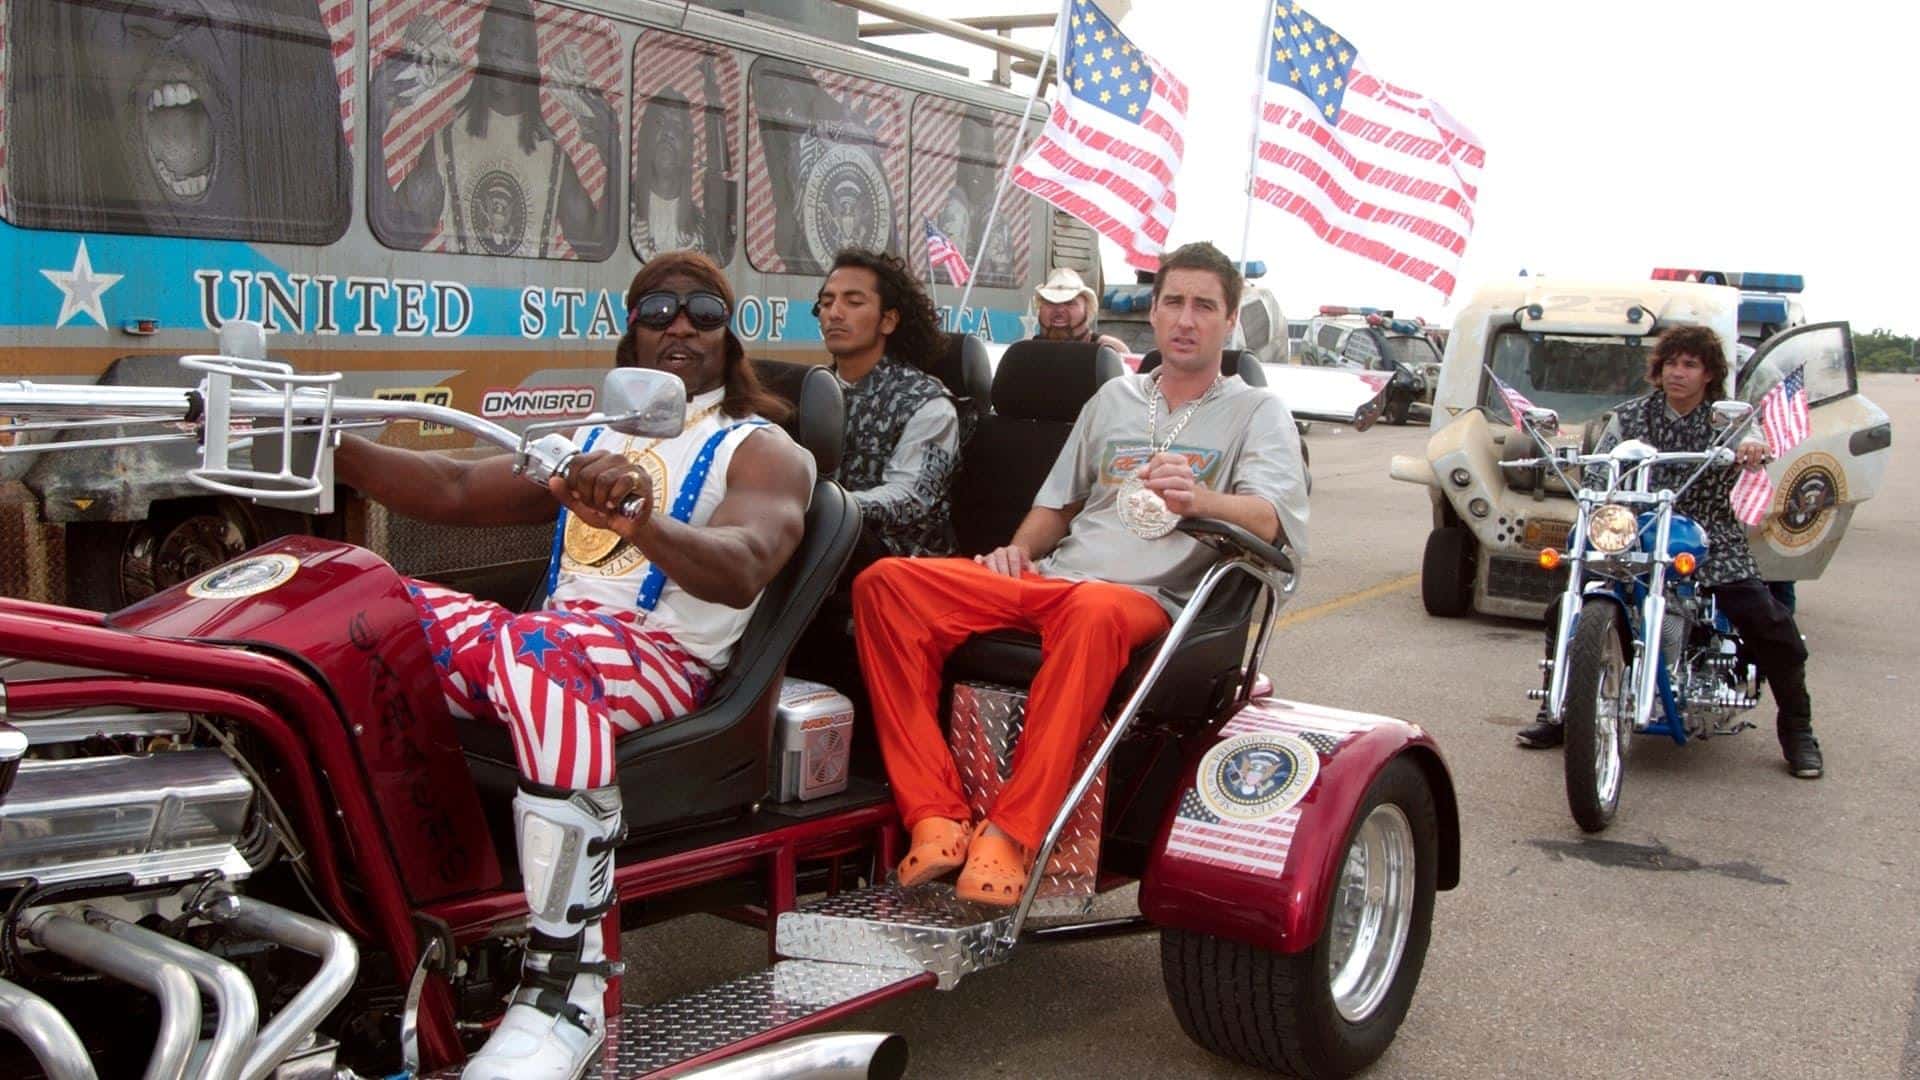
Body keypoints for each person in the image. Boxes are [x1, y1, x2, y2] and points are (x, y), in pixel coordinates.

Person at [335, 250, 814, 1079]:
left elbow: (742, 564)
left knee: (540, 654)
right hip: (552, 645)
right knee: (360, 603)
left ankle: (569, 984)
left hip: (664, 661)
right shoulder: (592, 439)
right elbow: (452, 489)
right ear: (632, 331)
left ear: (729, 335)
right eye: (657, 308)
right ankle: (366, 910)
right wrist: (327, 443)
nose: (680, 323)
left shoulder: (761, 449)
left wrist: (642, 521)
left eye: (704, 310)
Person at [853, 241, 1309, 905]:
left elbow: (1270, 519)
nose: (1186, 319)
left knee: (1093, 609)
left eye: (1205, 306)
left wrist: (1200, 500)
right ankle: (936, 816)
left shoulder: (1256, 410)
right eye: (1174, 302)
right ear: (1152, 313)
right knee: (886, 585)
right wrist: (1016, 552)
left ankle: (1012, 834)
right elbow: (1056, 505)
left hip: (1143, 598)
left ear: (1231, 320)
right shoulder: (1113, 398)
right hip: (1055, 579)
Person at [1514, 325, 1823, 779]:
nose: (1678, 372)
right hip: (1636, 530)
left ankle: (1797, 730)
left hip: (1709, 534)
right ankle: (1560, 711)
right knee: (1566, 608)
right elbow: (1600, 473)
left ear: (1708, 373)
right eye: (1672, 363)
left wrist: (1752, 446)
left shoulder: (1726, 419)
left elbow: (1751, 435)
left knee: (1769, 623)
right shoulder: (1630, 416)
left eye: (1690, 365)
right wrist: (1593, 482)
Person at [369, 0, 618, 260]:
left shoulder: (554, 158)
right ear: (482, 48)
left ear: (530, 61)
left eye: (516, 42)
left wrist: (615, 161)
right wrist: (372, 131)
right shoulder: (446, 144)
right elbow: (398, 233)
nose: (504, 50)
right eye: (496, 35)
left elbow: (596, 245)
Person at [816, 249, 965, 564]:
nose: (835, 313)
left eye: (853, 302)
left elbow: (910, 498)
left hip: (902, 561)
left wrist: (821, 506)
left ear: (888, 320)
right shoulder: (809, 390)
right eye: (827, 303)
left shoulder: (928, 403)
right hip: (820, 543)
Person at [631, 58, 735, 261]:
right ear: (645, 136)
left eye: (678, 126)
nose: (668, 133)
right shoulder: (624, 214)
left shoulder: (703, 229)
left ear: (690, 147)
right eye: (659, 122)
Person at [1032, 267, 1129, 354]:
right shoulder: (1027, 352)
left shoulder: (1111, 350)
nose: (1059, 310)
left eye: (1069, 303)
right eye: (1051, 302)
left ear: (1086, 309)